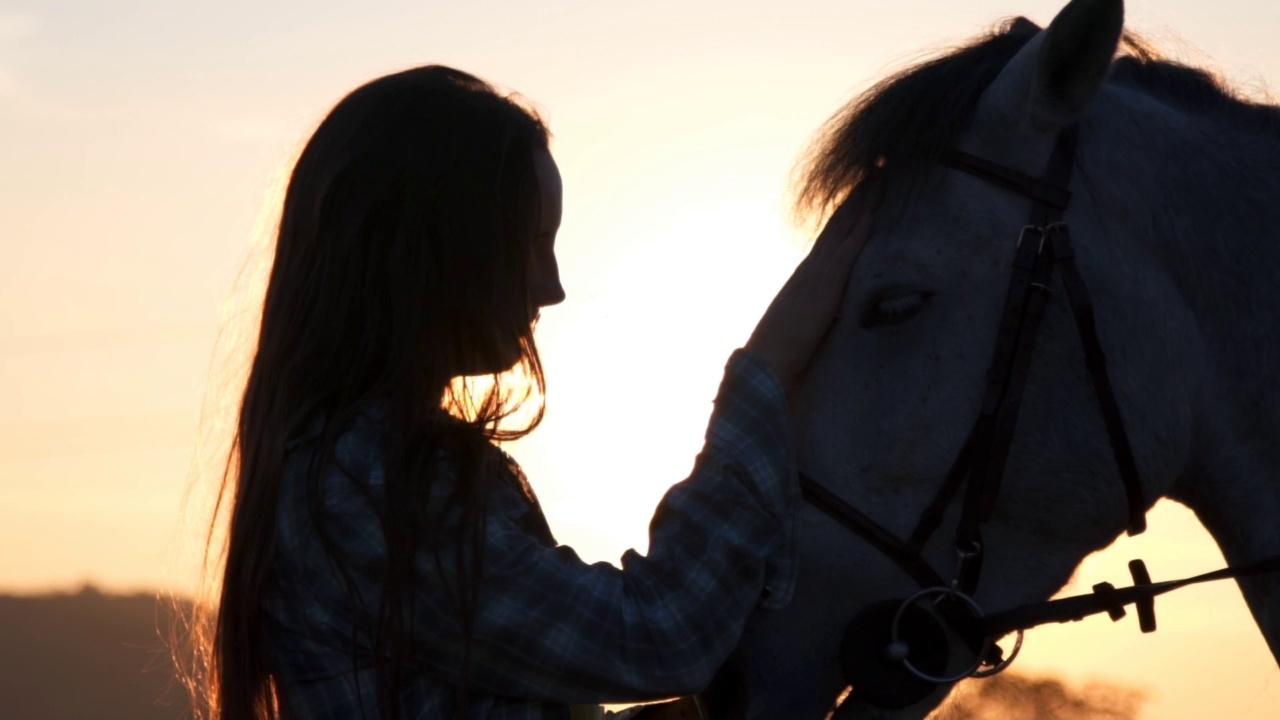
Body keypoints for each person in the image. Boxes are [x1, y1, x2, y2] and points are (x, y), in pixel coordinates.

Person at [195, 64, 871, 720]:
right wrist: (770, 368)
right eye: (529, 243)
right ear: (432, 249)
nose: (551, 287)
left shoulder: (359, 467)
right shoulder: (368, 482)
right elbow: (659, 637)